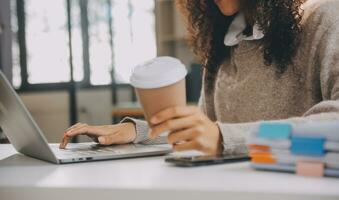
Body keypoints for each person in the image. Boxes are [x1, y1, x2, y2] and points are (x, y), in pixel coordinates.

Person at [60, 0, 339, 156]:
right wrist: (139, 132)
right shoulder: (226, 41)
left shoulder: (327, 18)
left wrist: (223, 137)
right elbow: (204, 130)